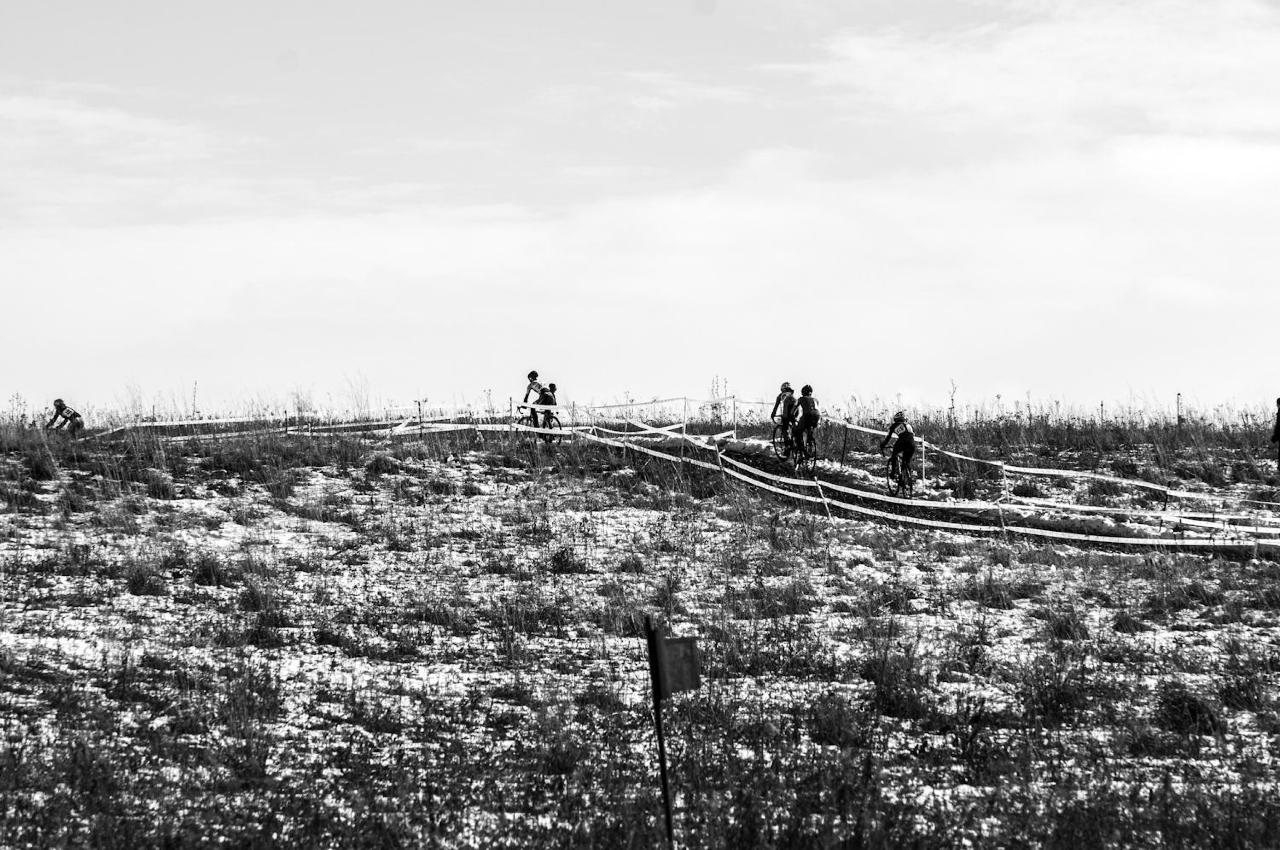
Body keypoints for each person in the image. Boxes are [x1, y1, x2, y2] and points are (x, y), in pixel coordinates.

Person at [880, 411, 917, 481]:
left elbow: (888, 437)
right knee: (906, 462)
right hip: (912, 443)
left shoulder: (894, 425)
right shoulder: (909, 425)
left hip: (902, 441)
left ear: (896, 420)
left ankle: (893, 473)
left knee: (894, 453)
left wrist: (883, 445)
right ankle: (907, 478)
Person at [770, 382, 798, 456]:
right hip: (796, 409)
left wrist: (773, 415)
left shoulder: (781, 395)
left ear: (782, 389)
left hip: (787, 407)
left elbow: (776, 407)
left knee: (785, 426)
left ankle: (788, 446)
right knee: (795, 424)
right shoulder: (793, 394)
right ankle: (797, 442)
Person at [792, 385, 820, 458]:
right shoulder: (815, 399)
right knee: (809, 430)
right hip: (817, 415)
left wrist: (792, 417)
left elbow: (792, 411)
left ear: (802, 392)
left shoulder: (801, 399)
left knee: (797, 432)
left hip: (807, 415)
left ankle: (802, 450)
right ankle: (810, 446)